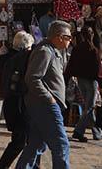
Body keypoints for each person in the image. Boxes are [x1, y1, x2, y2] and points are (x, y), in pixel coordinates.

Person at [15, 19, 74, 169]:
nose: (70, 40)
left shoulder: (54, 51)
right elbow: (33, 78)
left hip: (44, 106)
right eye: (68, 37)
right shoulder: (44, 51)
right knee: (61, 145)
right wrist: (50, 99)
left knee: (36, 145)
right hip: (45, 106)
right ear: (58, 37)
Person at [0, 31, 34, 169]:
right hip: (19, 104)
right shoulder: (20, 59)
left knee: (28, 140)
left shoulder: (4, 56)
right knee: (20, 141)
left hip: (10, 103)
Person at [68, 26, 102, 142]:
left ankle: (96, 132)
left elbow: (71, 65)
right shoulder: (93, 50)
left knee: (87, 107)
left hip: (80, 80)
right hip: (91, 81)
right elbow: (98, 68)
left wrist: (67, 76)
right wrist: (101, 82)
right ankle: (78, 131)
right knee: (89, 107)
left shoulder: (77, 48)